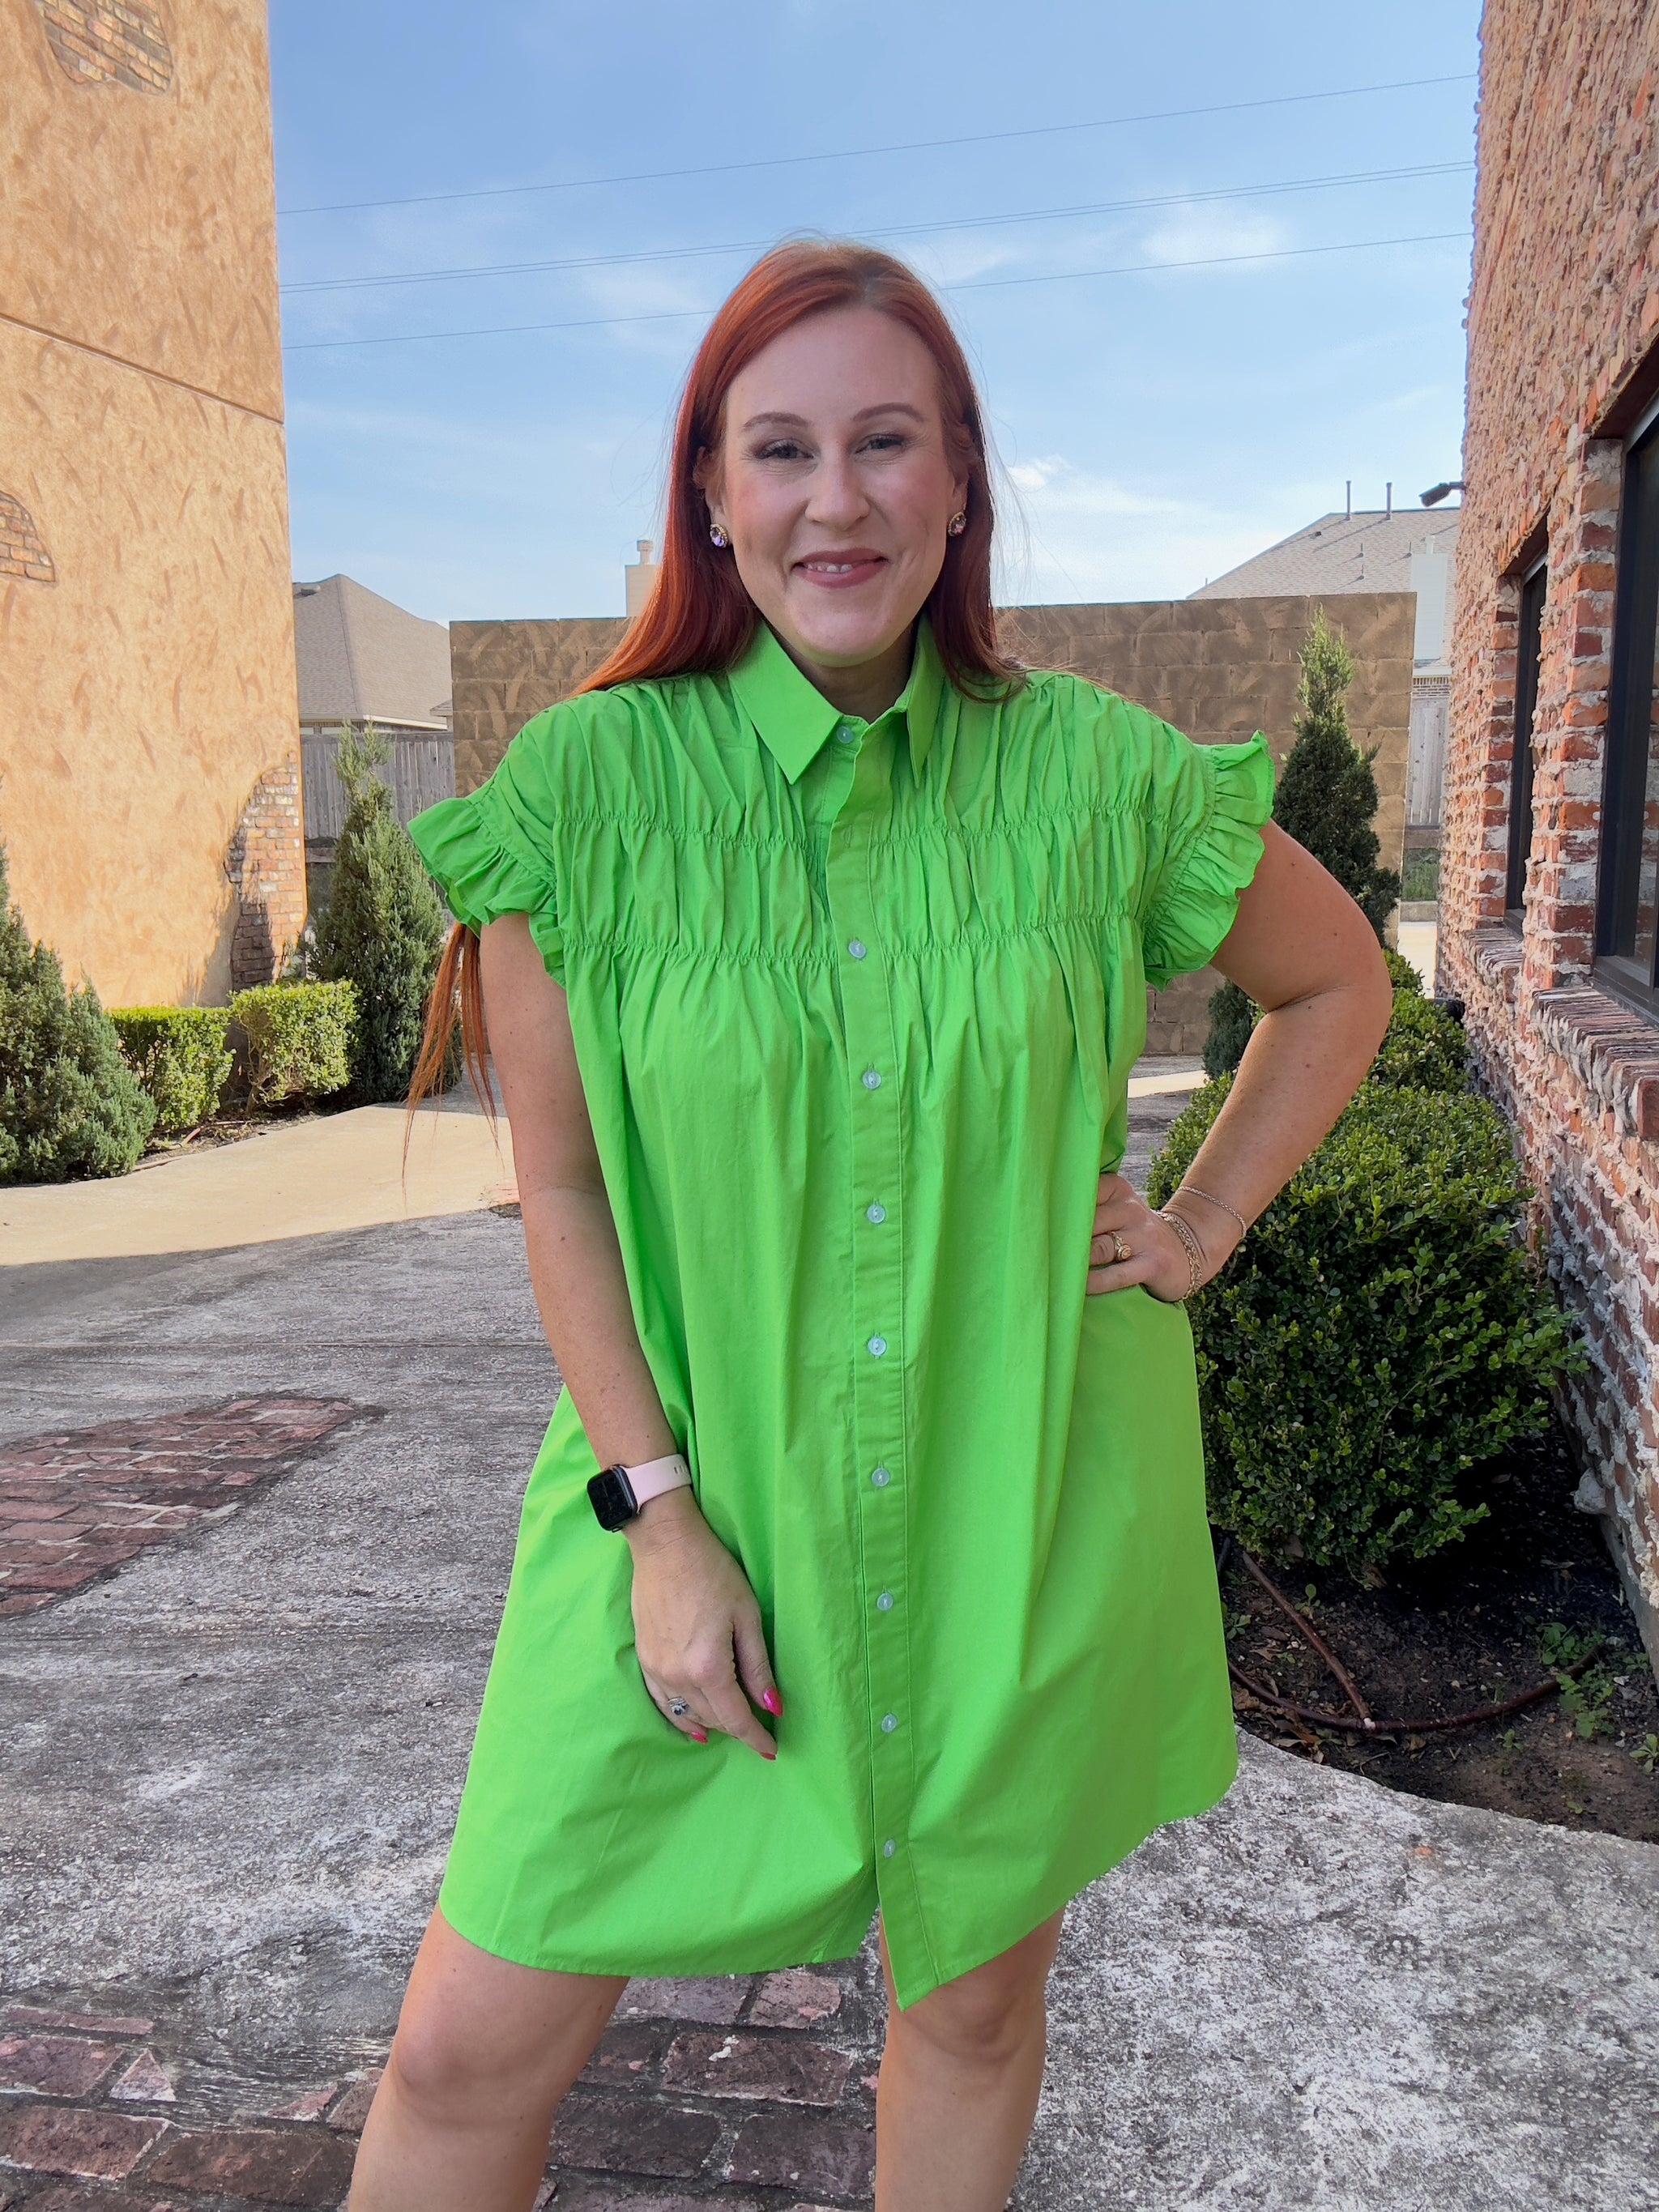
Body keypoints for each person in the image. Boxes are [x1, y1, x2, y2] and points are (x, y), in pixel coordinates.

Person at [348, 241, 1392, 2212]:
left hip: (1021, 1515)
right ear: (711, 494)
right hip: (688, 1514)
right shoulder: (582, 793)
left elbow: (1335, 984)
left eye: (886, 441)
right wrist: (661, 1522)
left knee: (973, 2013)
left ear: (960, 477)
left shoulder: (1098, 775)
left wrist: (1195, 1223)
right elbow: (561, 1189)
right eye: (782, 448)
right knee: (460, 2054)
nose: (835, 498)